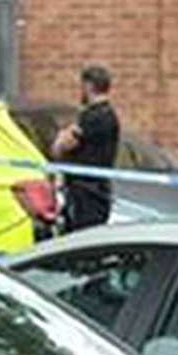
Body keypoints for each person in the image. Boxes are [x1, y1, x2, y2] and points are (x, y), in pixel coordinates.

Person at [51, 65, 121, 233]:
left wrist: (61, 136)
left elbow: (62, 146)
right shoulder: (106, 114)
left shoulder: (94, 116)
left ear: (88, 86)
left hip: (87, 194)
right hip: (93, 191)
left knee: (80, 239)